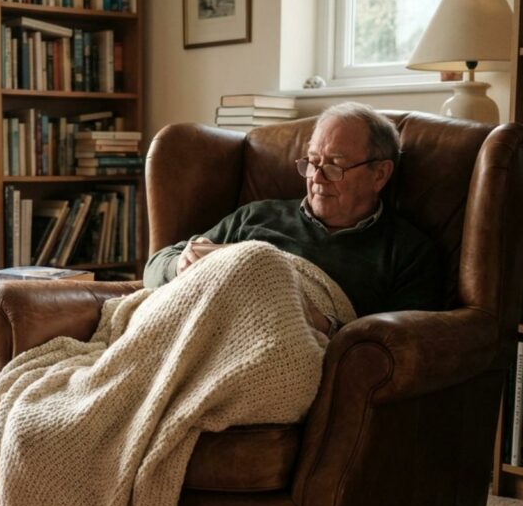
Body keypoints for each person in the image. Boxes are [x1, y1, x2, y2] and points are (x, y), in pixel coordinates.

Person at [143, 102, 442, 334]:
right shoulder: (255, 216)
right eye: (312, 162)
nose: (317, 178)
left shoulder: (408, 253)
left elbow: (401, 343)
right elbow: (154, 267)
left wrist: (320, 324)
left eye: (335, 166)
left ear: (379, 174)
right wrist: (182, 265)